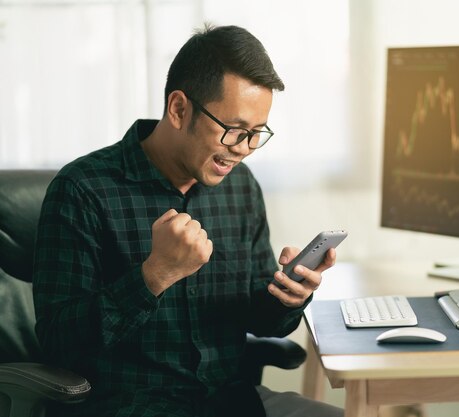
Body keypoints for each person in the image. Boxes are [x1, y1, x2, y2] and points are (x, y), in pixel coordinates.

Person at [32, 24, 343, 417]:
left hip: (230, 401)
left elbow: (260, 320)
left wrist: (289, 298)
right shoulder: (82, 190)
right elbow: (59, 343)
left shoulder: (241, 187)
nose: (245, 150)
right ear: (179, 109)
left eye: (256, 133)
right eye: (234, 131)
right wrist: (154, 275)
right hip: (128, 405)